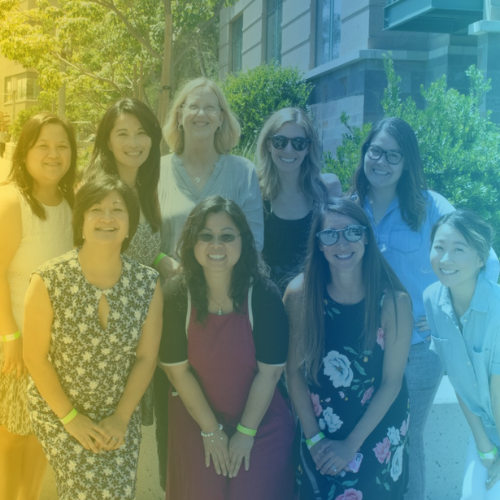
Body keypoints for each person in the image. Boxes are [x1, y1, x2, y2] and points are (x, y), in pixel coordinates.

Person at [350, 116, 499, 500]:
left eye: (393, 155)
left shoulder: (430, 206)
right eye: (375, 151)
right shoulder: (353, 207)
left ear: (407, 162)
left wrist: (449, 318)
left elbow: (486, 261)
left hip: (417, 349)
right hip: (362, 346)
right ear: (365, 153)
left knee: (407, 435)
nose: (381, 162)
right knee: (364, 434)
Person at [23, 176, 163, 500]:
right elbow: (35, 357)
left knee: (119, 491)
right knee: (80, 491)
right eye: (96, 209)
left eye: (117, 209)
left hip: (119, 412)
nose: (106, 217)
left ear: (130, 225)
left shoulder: (147, 283)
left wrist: (121, 418)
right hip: (60, 411)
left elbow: (146, 358)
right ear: (81, 221)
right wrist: (71, 419)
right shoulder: (48, 279)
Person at [159, 196, 295, 500]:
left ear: (243, 241)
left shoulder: (263, 295)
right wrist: (211, 431)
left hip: (260, 420)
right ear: (191, 243)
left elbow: (270, 374)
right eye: (206, 236)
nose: (216, 245)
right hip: (196, 417)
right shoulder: (176, 294)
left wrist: (246, 433)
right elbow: (177, 372)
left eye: (227, 236)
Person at [285, 198, 412, 499]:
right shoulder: (299, 295)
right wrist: (314, 439)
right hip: (319, 431)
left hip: (376, 430)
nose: (342, 243)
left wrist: (351, 445)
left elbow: (392, 381)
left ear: (366, 237)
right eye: (330, 235)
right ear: (319, 244)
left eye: (353, 232)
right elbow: (293, 373)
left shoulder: (394, 302)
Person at [0, 113, 76, 500]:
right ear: (25, 151)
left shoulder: (74, 204)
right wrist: (9, 336)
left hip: (56, 351)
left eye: (62, 146)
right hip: (16, 347)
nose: (53, 154)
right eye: (43, 145)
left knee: (42, 436)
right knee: (11, 437)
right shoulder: (12, 201)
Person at [85, 97, 164, 425]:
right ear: (107, 140)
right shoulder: (95, 193)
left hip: (143, 330)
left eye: (141, 132)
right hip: (107, 337)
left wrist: (163, 260)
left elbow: (142, 249)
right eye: (123, 134)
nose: (134, 142)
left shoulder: (146, 189)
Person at [424, 210, 500, 499]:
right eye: (439, 247)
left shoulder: (497, 308)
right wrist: (484, 445)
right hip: (485, 426)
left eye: (459, 249)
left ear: (481, 258)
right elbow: (459, 378)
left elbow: (498, 390)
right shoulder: (432, 299)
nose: (445, 259)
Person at [158, 77, 263, 261]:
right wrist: (161, 262)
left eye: (209, 108)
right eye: (193, 106)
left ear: (221, 118)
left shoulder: (244, 172)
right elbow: (142, 240)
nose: (201, 113)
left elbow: (254, 244)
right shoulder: (157, 171)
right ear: (180, 116)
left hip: (229, 279)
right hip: (170, 279)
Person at [257, 107, 342, 294]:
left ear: (308, 148)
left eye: (298, 143)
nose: (288, 150)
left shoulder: (327, 190)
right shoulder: (254, 193)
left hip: (316, 298)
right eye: (280, 141)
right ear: (269, 144)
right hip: (270, 301)